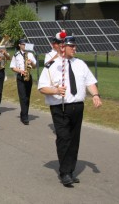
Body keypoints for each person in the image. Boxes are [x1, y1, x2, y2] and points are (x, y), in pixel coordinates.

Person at [38, 35, 102, 187]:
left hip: (77, 106)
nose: (74, 48)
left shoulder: (80, 64)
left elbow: (90, 82)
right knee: (64, 138)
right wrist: (55, 90)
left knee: (74, 140)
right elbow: (41, 87)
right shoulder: (52, 66)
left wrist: (95, 95)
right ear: (62, 47)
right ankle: (65, 172)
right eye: (71, 46)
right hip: (60, 107)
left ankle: (70, 170)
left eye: (75, 46)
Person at [10, 38, 37, 125]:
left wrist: (31, 62)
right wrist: (20, 71)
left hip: (28, 76)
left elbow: (35, 66)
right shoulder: (16, 55)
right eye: (23, 44)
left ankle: (24, 113)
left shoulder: (30, 54)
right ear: (19, 45)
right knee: (23, 97)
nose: (24, 46)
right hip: (20, 77)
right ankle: (25, 117)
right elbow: (12, 67)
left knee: (27, 97)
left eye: (25, 44)